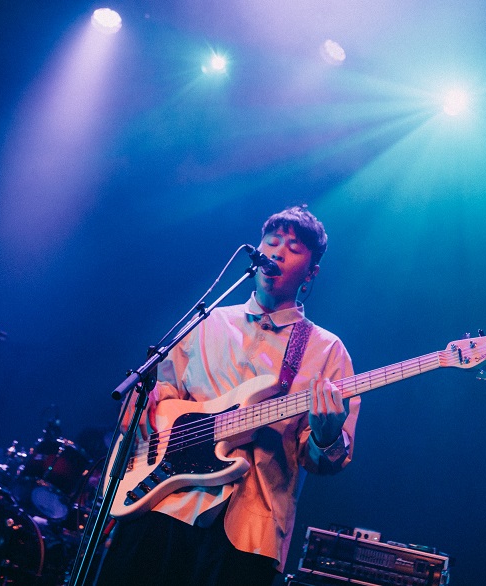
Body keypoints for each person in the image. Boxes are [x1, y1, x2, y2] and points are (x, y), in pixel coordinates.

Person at [97, 206, 360, 586]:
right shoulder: (207, 322)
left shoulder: (328, 351)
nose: (278, 251)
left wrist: (328, 435)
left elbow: (326, 461)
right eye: (272, 241)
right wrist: (140, 409)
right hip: (163, 503)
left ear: (311, 273)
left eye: (293, 248)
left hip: (248, 531)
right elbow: (159, 394)